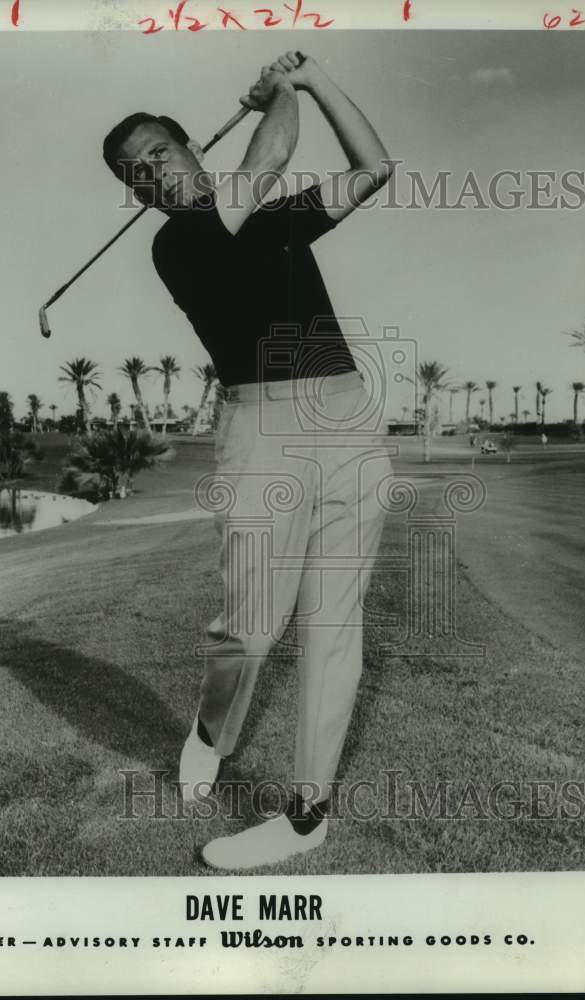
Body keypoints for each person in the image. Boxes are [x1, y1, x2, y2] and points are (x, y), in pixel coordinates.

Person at [103, 52, 394, 870]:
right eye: (135, 174)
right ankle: (211, 730)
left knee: (336, 623)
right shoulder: (178, 246)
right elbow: (268, 155)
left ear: (192, 146)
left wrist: (319, 80)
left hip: (347, 420)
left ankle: (307, 814)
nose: (150, 175)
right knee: (253, 630)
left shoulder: (273, 218)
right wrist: (279, 93)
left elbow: (373, 168)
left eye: (158, 152)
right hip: (260, 433)